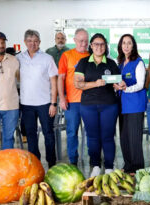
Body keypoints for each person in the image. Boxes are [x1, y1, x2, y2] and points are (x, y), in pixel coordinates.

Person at [74, 33, 120, 177]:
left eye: (102, 44)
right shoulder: (83, 62)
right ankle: (95, 165)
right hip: (88, 106)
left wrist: (120, 85)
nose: (99, 47)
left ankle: (109, 167)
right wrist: (95, 83)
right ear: (91, 46)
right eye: (96, 44)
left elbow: (116, 83)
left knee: (108, 136)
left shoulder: (111, 63)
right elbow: (77, 84)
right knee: (93, 137)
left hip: (109, 105)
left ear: (105, 46)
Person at [17, 29, 58, 167]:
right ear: (25, 42)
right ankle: (35, 164)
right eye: (29, 41)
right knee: (30, 135)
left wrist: (53, 103)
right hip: (26, 104)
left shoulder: (47, 58)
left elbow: (54, 81)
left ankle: (51, 163)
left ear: (39, 42)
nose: (32, 44)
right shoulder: (19, 58)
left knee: (48, 133)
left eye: (35, 41)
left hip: (45, 103)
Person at [115, 34, 147, 173]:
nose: (126, 46)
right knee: (124, 137)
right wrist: (116, 86)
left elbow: (140, 84)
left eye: (129, 43)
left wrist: (126, 88)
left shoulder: (138, 62)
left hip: (135, 105)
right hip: (122, 106)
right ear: (120, 46)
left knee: (134, 138)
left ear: (133, 46)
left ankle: (138, 167)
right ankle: (128, 166)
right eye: (124, 43)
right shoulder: (121, 63)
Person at [58, 28, 90, 166]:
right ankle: (73, 160)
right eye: (81, 40)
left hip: (90, 101)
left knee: (92, 132)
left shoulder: (92, 55)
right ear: (75, 40)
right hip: (72, 102)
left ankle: (94, 159)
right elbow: (60, 78)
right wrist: (62, 98)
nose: (84, 43)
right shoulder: (67, 55)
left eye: (86, 41)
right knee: (72, 132)